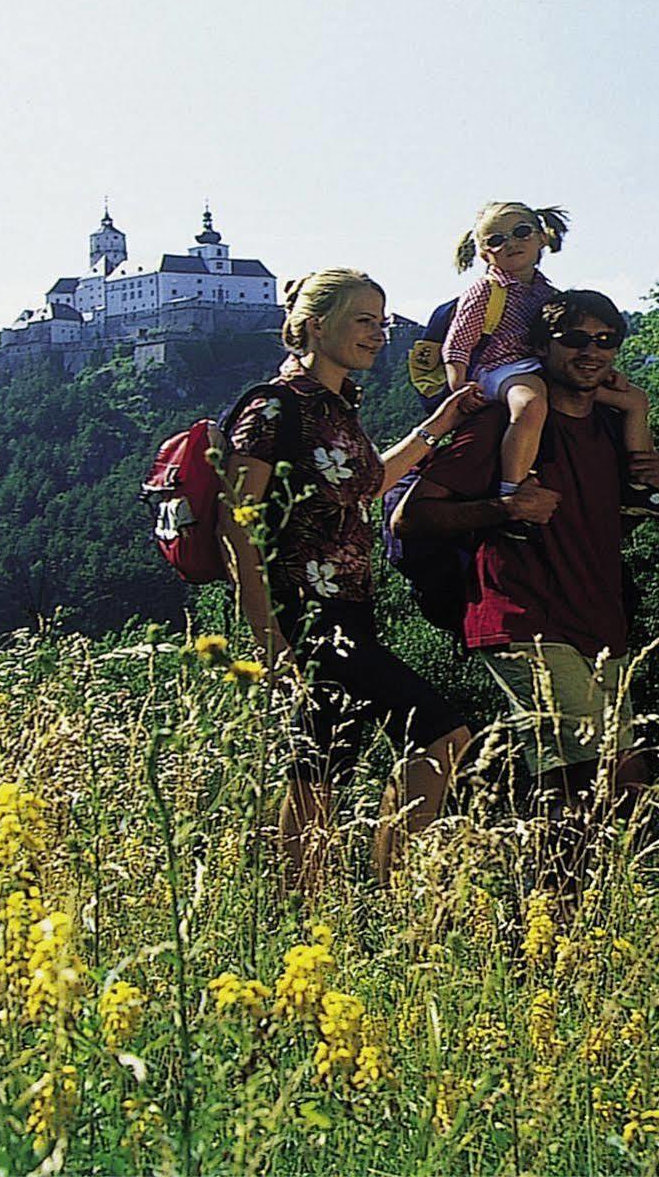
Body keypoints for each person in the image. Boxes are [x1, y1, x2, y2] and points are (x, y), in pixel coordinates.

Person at [397, 288, 659, 880]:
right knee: (606, 773)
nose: (591, 351)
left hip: (599, 621)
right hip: (521, 615)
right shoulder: (503, 422)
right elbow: (410, 517)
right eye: (575, 339)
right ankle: (558, 914)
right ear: (541, 347)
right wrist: (504, 509)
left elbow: (619, 515)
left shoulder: (610, 425)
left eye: (606, 340)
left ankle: (556, 915)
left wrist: (650, 463)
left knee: (587, 783)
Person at [219, 268, 483, 890]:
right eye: (363, 320)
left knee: (318, 770)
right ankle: (392, 892)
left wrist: (438, 426)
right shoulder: (273, 409)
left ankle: (301, 908)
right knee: (444, 734)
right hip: (302, 613)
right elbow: (237, 523)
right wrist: (266, 635)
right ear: (315, 324)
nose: (378, 333)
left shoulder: (336, 409)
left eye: (381, 321)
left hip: (347, 612)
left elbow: (366, 484)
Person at [442, 202, 659, 532]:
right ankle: (513, 494)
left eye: (521, 232)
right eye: (496, 240)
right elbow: (457, 344)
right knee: (531, 403)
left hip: (539, 369)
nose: (511, 243)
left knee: (634, 399)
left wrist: (596, 369)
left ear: (542, 237)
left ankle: (639, 487)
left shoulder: (548, 293)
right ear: (485, 253)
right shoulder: (485, 291)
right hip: (500, 369)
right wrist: (460, 390)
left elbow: (563, 343)